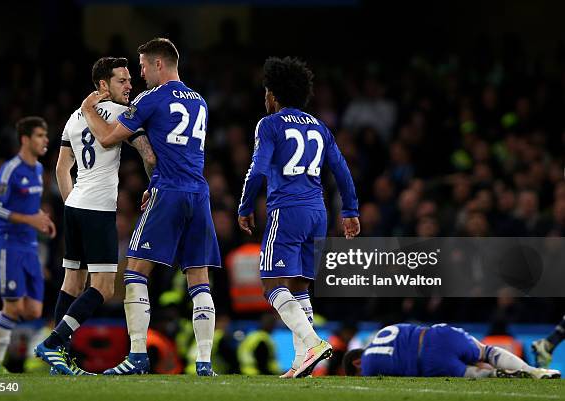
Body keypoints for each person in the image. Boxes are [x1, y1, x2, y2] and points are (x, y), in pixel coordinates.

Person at [80, 37, 221, 376]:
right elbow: (169, 153)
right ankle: (204, 363)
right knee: (199, 278)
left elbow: (108, 137)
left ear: (159, 64)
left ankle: (138, 356)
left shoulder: (151, 98)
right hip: (198, 195)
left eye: (143, 66)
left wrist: (88, 111)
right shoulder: (199, 101)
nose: (140, 74)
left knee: (135, 269)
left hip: (169, 191)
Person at [237, 57, 360, 378]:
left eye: (266, 92)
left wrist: (245, 205)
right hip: (317, 211)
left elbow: (258, 169)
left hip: (287, 210)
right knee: (299, 285)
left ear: (274, 94)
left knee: (271, 284)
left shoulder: (270, 124)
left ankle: (312, 341)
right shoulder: (320, 126)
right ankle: (300, 360)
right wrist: (350, 210)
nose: (265, 97)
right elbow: (342, 170)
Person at [33, 57, 156, 375]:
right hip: (98, 209)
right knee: (103, 287)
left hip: (74, 206)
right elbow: (146, 152)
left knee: (72, 283)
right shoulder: (120, 115)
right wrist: (156, 182)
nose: (129, 86)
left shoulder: (75, 117)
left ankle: (60, 359)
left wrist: (71, 203)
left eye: (130, 80)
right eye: (121, 81)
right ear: (103, 85)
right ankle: (53, 344)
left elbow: (62, 168)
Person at [0, 116, 56, 373]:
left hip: (29, 246)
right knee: (13, 307)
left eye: (45, 135)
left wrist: (43, 219)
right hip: (9, 244)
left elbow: (29, 207)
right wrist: (30, 219)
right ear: (25, 139)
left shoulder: (38, 170)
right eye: (39, 135)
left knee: (33, 310)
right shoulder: (10, 169)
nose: (45, 140)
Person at [343, 323, 561, 379]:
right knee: (488, 352)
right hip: (437, 334)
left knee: (474, 374)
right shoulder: (383, 332)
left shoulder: (369, 364)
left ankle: (494, 374)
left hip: (427, 360)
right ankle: (533, 370)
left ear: (357, 364)